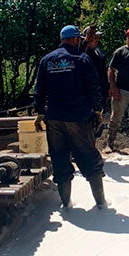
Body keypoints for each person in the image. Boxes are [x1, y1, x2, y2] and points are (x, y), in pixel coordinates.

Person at [33, 25, 106, 209]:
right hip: (78, 118)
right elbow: (93, 87)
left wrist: (40, 113)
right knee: (90, 160)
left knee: (59, 160)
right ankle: (101, 204)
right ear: (74, 39)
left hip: (54, 119)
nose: (80, 41)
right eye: (79, 39)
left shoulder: (46, 60)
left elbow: (39, 90)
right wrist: (97, 111)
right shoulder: (81, 59)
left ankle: (67, 205)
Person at [80, 25, 109, 111]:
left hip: (98, 90)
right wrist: (86, 41)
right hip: (85, 91)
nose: (96, 39)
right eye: (93, 37)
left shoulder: (98, 51)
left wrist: (107, 89)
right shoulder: (81, 52)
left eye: (97, 37)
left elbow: (103, 72)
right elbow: (79, 55)